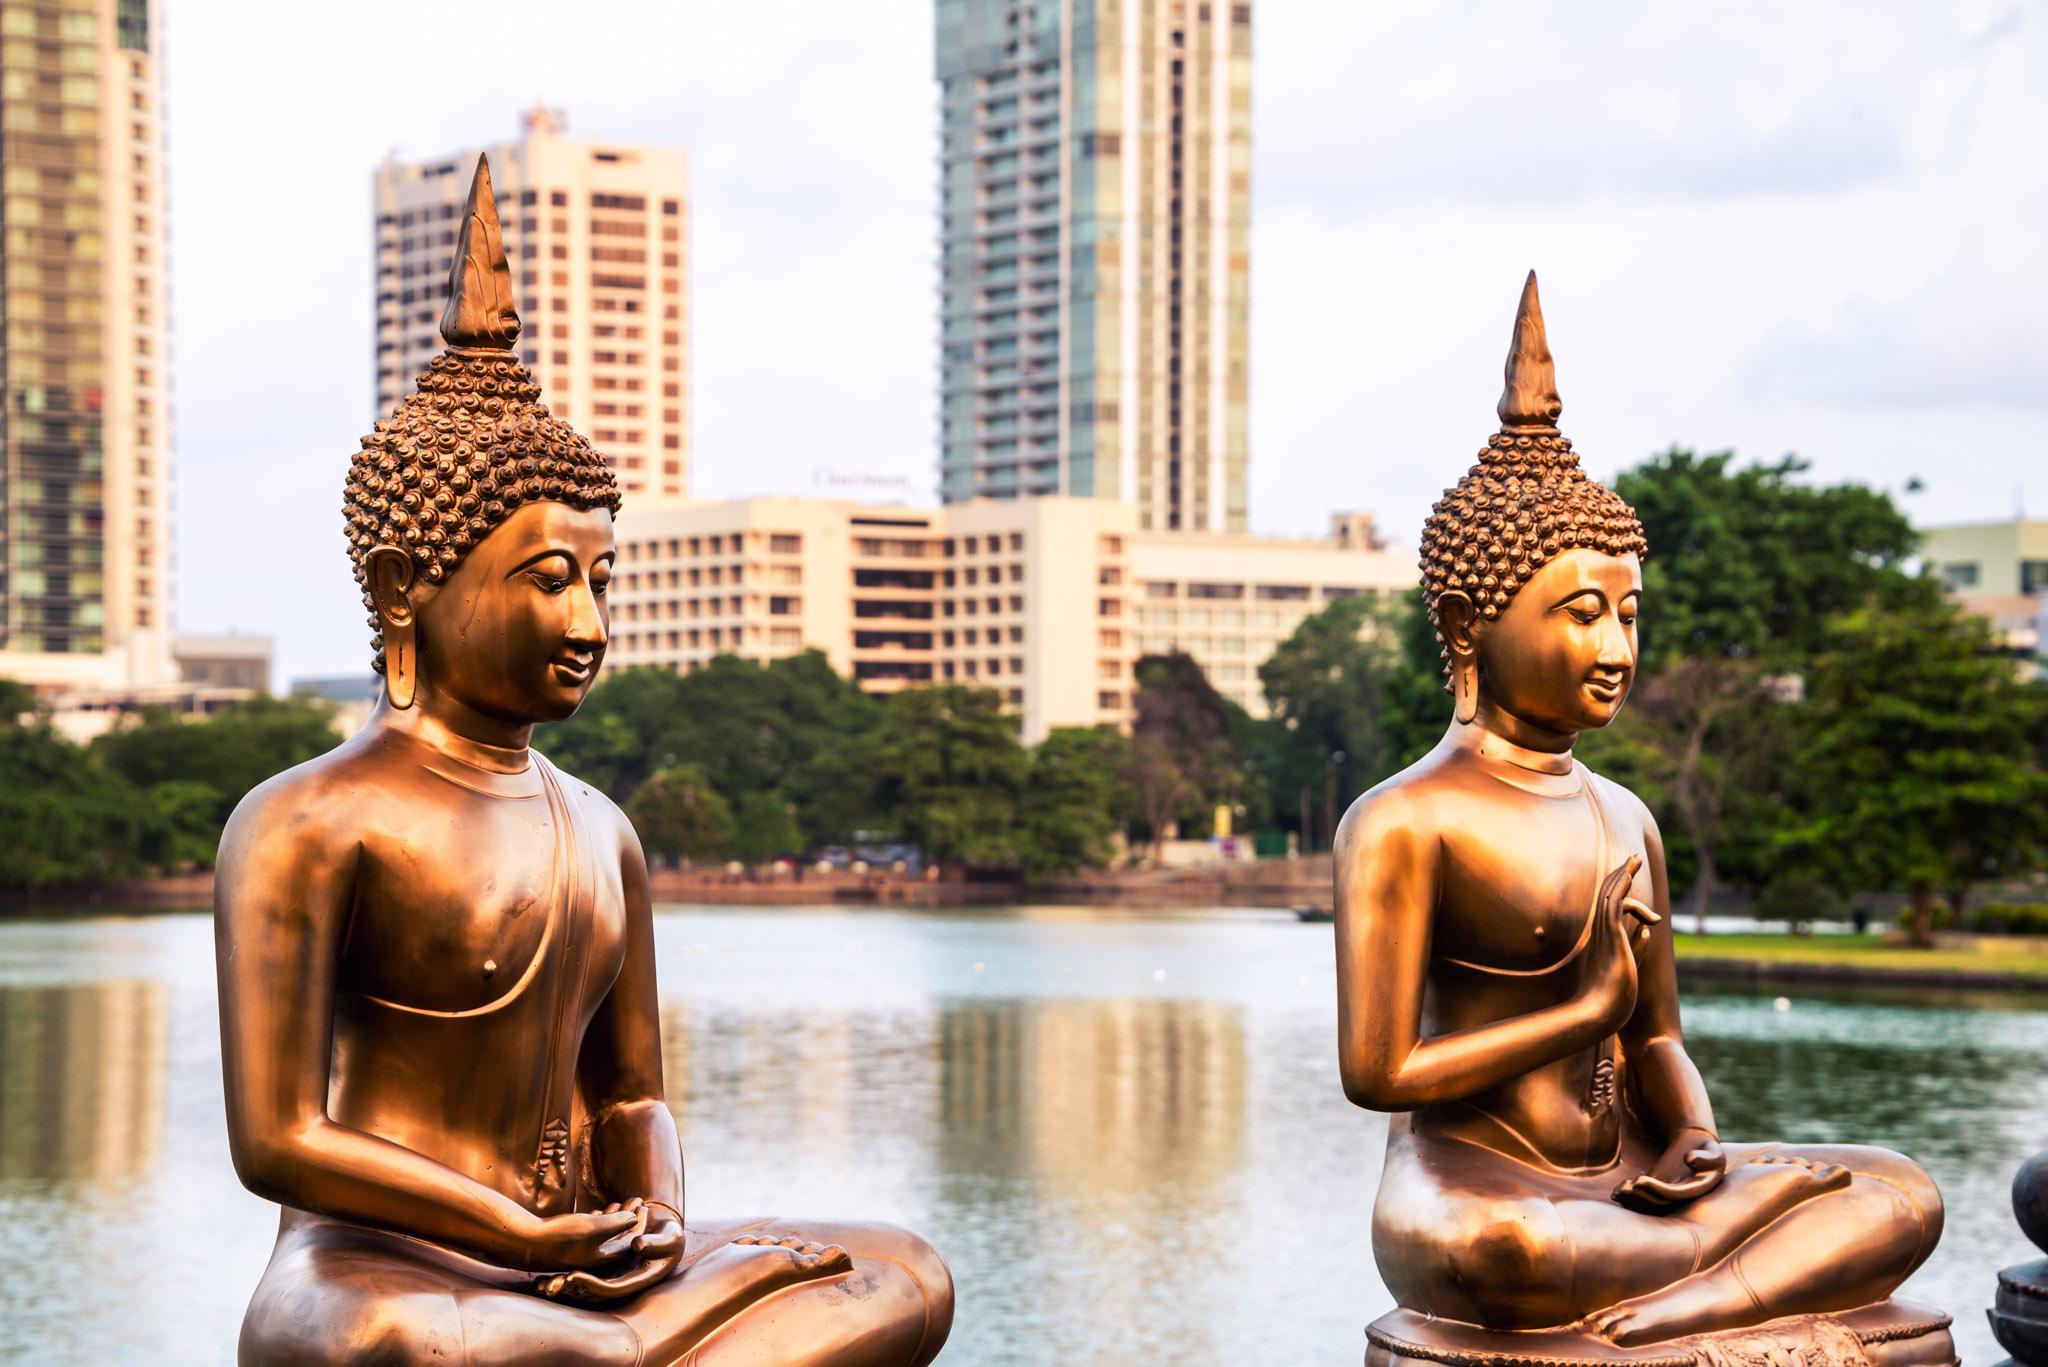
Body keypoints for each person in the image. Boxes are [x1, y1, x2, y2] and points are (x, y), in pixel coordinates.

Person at [215, 157, 952, 1367]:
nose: (590, 624)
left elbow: (629, 1095)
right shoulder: (307, 818)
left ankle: (650, 1328)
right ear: (409, 586)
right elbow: (279, 1137)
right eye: (549, 580)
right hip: (377, 1266)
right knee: (409, 1344)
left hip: (578, 1256)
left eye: (602, 581)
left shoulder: (601, 826)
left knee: (906, 1269)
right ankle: (673, 1331)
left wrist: (658, 1210)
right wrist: (508, 1227)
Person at [1338, 275, 1948, 1358]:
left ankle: (1695, 1301)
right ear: (1469, 619)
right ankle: (1733, 1277)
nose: (1615, 648)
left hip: (1630, 1186)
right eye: (1580, 614)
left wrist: (1698, 1141)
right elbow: (1378, 1073)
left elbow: (1655, 1033)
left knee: (1899, 1191)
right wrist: (1586, 1010)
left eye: (1626, 612)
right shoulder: (1402, 819)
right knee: (1509, 1253)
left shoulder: (1623, 816)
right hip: (1476, 1186)